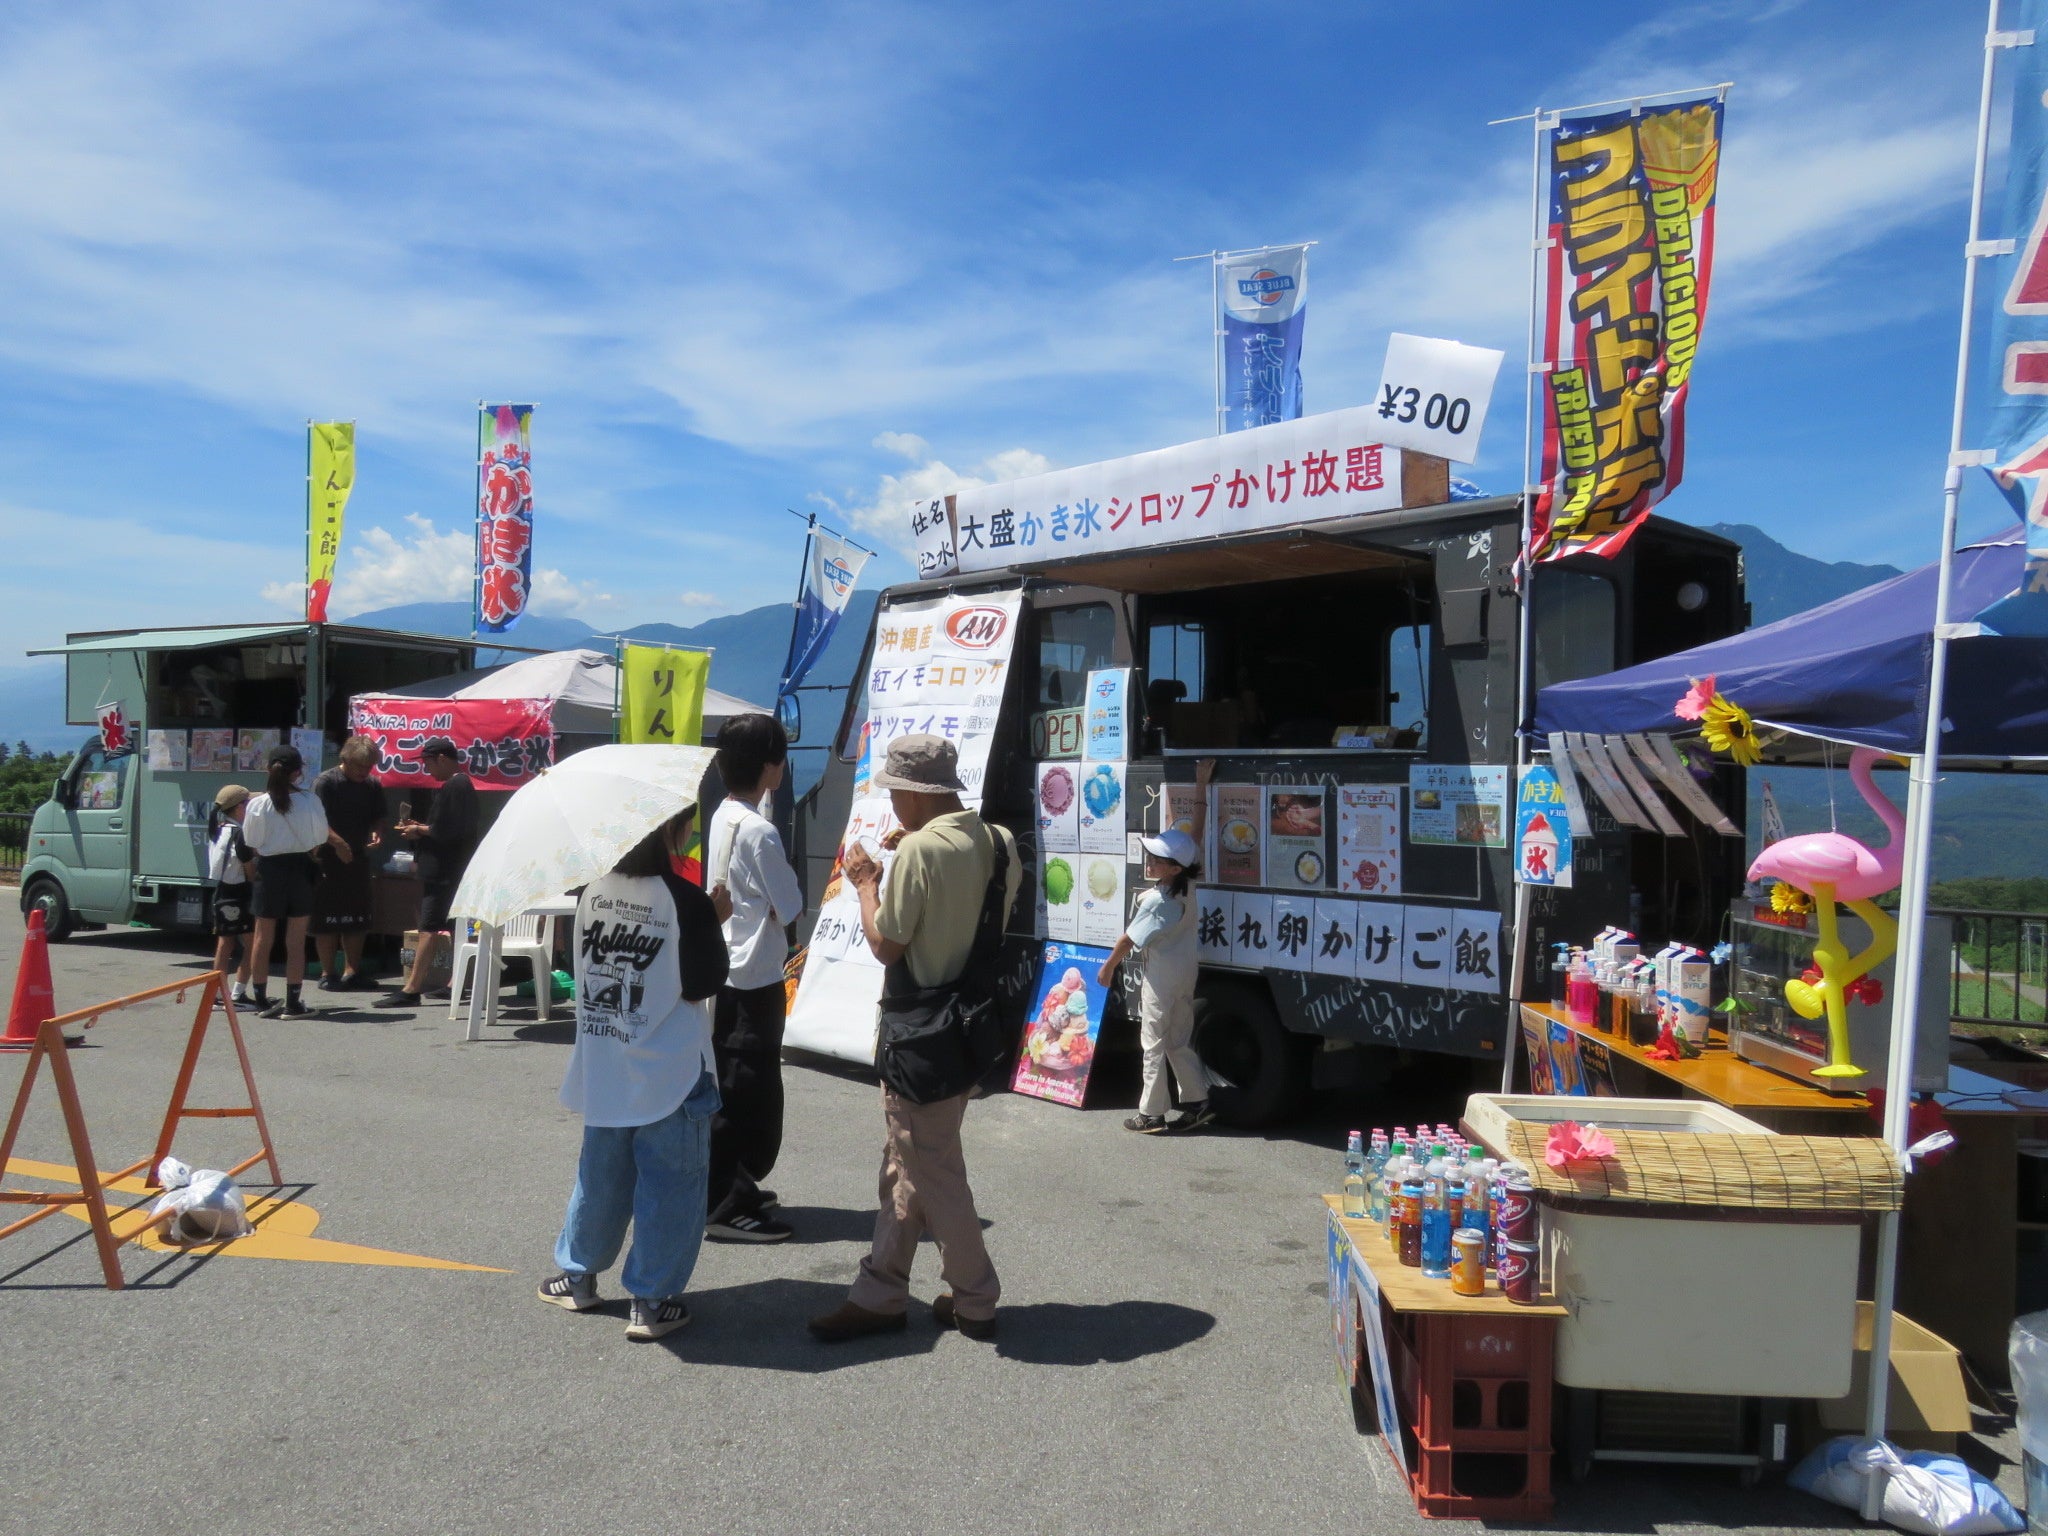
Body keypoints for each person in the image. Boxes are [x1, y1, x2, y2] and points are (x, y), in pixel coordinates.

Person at [809, 733, 1019, 1345]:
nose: (893, 807)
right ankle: (881, 1290)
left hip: (918, 1032)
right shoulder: (998, 840)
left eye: (896, 794)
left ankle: (976, 1296)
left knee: (932, 1167)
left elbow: (885, 944)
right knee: (907, 1161)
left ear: (913, 793)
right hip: (970, 1024)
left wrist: (869, 883)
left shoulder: (920, 853)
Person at [537, 805, 731, 1341]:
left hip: (606, 1060)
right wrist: (713, 919)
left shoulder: (591, 892)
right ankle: (650, 1298)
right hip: (671, 1065)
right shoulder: (685, 900)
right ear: (672, 829)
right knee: (671, 1184)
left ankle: (577, 1277)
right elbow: (703, 982)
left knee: (601, 1177)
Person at [702, 713, 806, 1244]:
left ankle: (732, 1185)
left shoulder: (723, 816)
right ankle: (728, 1202)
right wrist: (771, 905)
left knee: (733, 1083)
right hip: (758, 971)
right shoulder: (761, 830)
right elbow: (790, 904)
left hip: (727, 965)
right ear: (769, 766)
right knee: (751, 1090)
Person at [1100, 757, 1215, 1133]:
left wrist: (1108, 967)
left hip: (1162, 977)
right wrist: (1201, 786)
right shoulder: (1188, 880)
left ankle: (1151, 1114)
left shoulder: (1159, 900)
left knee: (1152, 1042)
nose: (1150, 858)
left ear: (1174, 867)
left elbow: (1127, 939)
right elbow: (1194, 836)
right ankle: (1197, 1102)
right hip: (1186, 972)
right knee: (1179, 1039)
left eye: (1158, 857)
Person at [242, 744, 351, 1018]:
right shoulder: (310, 801)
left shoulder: (257, 804)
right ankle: (292, 1002)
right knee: (295, 940)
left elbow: (251, 842)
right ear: (298, 771)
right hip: (301, 867)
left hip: (269, 869)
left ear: (269, 769)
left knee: (262, 938)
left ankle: (261, 1000)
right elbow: (318, 838)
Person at [379, 737, 478, 1009]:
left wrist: (418, 830)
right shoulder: (459, 785)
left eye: (429, 762)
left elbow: (449, 831)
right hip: (449, 867)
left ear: (443, 759)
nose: (427, 769)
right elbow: (447, 826)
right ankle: (454, 983)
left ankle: (412, 988)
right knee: (454, 926)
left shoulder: (457, 785)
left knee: (429, 928)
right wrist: (422, 826)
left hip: (444, 869)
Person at [312, 735, 386, 991]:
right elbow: (316, 820)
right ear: (345, 760)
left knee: (358, 917)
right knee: (327, 918)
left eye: (369, 768)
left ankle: (352, 971)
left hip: (358, 857)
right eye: (359, 767)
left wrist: (377, 831)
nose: (364, 772)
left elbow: (378, 815)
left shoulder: (373, 785)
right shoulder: (326, 782)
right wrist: (338, 844)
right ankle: (327, 972)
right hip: (327, 857)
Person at [206, 784, 256, 1005]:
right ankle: (237, 993)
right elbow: (250, 872)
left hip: (221, 891)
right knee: (254, 944)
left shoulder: (217, 828)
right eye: (248, 804)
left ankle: (217, 994)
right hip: (239, 892)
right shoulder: (240, 835)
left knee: (225, 944)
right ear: (238, 808)